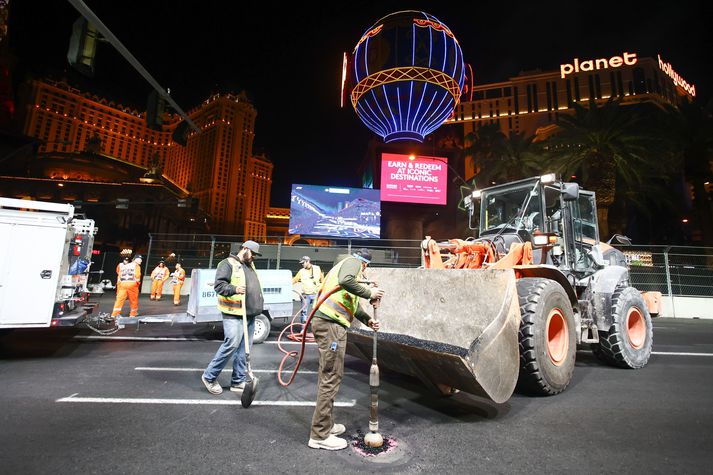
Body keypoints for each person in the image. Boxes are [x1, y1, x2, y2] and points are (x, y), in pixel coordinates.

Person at [308, 248, 384, 451]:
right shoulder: (352, 263)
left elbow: (354, 306)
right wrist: (370, 292)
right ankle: (319, 435)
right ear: (364, 263)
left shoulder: (348, 273)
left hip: (331, 324)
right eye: (365, 267)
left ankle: (327, 425)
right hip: (330, 325)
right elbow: (346, 280)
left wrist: (368, 320)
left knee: (330, 376)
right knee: (331, 377)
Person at [201, 241, 264, 395]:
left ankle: (238, 381)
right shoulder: (227, 263)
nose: (254, 257)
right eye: (253, 253)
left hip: (248, 313)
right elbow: (219, 285)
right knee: (232, 344)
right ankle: (209, 377)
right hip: (233, 313)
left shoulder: (249, 265)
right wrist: (235, 289)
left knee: (244, 350)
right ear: (245, 249)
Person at [292, 256, 323, 323]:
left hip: (316, 294)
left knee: (316, 312)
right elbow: (295, 280)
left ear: (308, 261)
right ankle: (303, 328)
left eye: (303, 263)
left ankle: (315, 327)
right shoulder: (301, 271)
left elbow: (322, 280)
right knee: (304, 312)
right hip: (305, 295)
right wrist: (287, 285)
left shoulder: (317, 268)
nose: (302, 264)